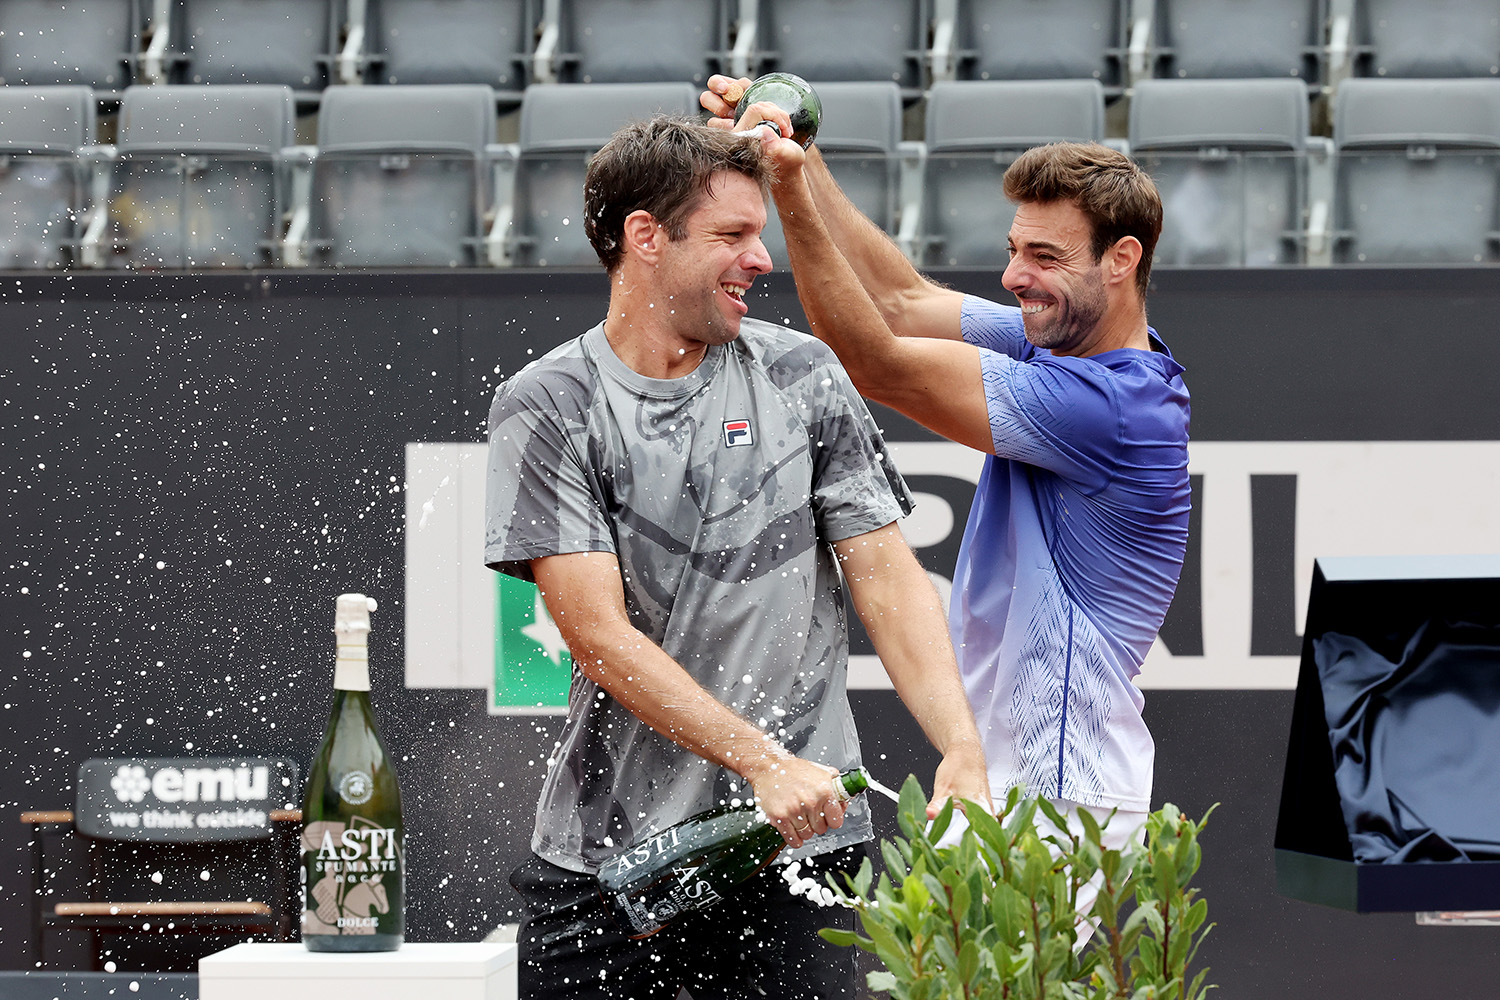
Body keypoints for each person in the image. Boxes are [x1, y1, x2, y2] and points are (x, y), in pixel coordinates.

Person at [484, 115, 990, 1000]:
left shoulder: (805, 374)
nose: (762, 259)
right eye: (732, 235)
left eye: (760, 235)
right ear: (646, 237)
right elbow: (597, 636)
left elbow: (886, 575)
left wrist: (960, 747)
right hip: (609, 868)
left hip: (804, 854)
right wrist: (763, 763)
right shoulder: (549, 403)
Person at [702, 79, 1191, 891]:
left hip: (1061, 802)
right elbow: (900, 301)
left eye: (1043, 257)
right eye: (1012, 249)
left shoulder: (1114, 407)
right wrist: (800, 153)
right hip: (1001, 785)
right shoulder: (1065, 339)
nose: (1012, 277)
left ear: (1123, 259)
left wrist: (784, 189)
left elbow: (874, 360)